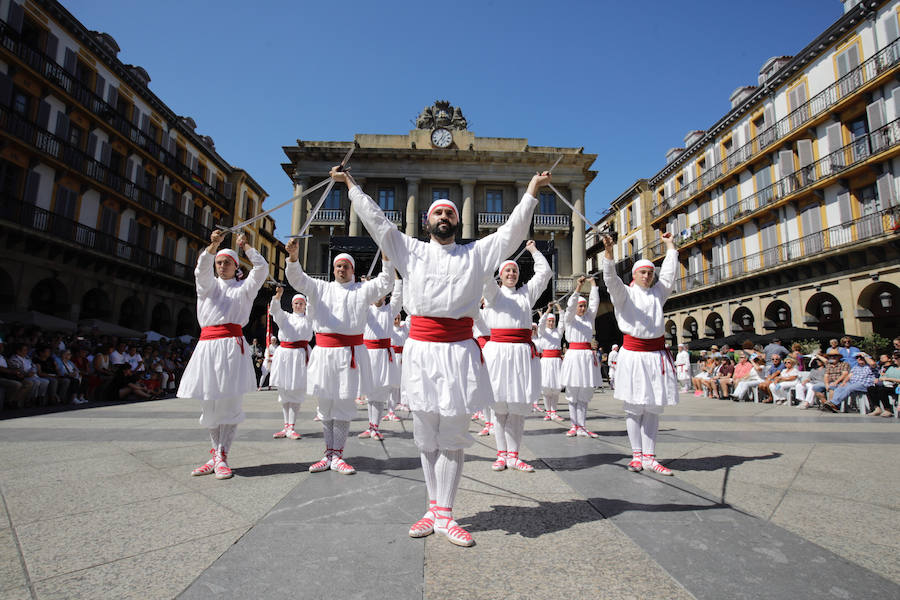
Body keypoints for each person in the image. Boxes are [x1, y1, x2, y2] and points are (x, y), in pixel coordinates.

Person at [332, 164, 548, 547]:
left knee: (451, 434)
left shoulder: (477, 253)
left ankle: (446, 514)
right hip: (421, 352)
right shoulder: (409, 249)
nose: (444, 217)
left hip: (460, 353)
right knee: (425, 435)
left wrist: (531, 190)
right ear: (426, 221)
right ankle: (432, 507)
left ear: (457, 220)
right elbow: (378, 222)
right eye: (438, 212)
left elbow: (512, 232)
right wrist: (350, 186)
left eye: (449, 213)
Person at [285, 246, 392, 475]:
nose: (341, 269)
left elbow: (385, 282)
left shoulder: (362, 290)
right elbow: (297, 279)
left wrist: (386, 259)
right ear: (333, 269)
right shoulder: (320, 287)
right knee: (325, 404)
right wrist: (293, 259)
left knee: (343, 404)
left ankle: (338, 455)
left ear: (353, 270)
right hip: (325, 353)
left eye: (345, 266)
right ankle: (328, 453)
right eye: (338, 266)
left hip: (349, 353)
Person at [177, 230, 268, 481]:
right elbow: (200, 271)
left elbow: (262, 269)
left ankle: (222, 456)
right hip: (208, 347)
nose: (222, 265)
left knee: (229, 404)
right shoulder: (207, 286)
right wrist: (212, 247)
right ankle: (216, 456)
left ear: (236, 265)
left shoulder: (244, 288)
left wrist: (247, 246)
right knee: (210, 403)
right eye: (219, 262)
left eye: (227, 262)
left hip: (231, 347)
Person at [601, 233, 679, 476]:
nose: (647, 276)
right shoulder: (624, 294)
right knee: (634, 407)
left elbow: (669, 273)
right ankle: (636, 455)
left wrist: (670, 246)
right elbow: (610, 279)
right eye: (643, 272)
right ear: (634, 275)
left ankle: (650, 456)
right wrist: (609, 254)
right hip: (633, 355)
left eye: (650, 273)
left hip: (656, 356)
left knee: (653, 407)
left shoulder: (658, 293)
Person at [481, 241, 551, 473]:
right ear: (500, 276)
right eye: (507, 271)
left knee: (518, 407)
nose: (511, 273)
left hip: (521, 355)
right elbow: (483, 276)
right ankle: (501, 455)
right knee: (500, 408)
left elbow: (545, 273)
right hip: (499, 354)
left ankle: (514, 455)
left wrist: (533, 251)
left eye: (514, 270)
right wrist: (497, 253)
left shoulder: (525, 295)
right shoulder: (493, 294)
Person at [359, 274, 403, 440]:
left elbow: (398, 296)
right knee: (370, 393)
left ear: (385, 295)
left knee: (379, 393)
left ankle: (376, 427)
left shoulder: (390, 310)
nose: (378, 296)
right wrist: (366, 286)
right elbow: (361, 298)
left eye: (381, 293)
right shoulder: (366, 309)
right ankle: (371, 426)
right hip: (368, 354)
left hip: (383, 355)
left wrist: (397, 278)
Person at [268, 286, 313, 440]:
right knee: (284, 391)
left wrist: (311, 293)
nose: (299, 306)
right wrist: (278, 296)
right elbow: (275, 311)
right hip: (285, 356)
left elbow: (314, 308)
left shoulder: (309, 318)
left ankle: (292, 426)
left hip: (299, 355)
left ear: (305, 305)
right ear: (292, 305)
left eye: (301, 303)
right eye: (296, 303)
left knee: (296, 391)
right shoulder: (285, 317)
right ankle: (286, 426)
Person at [560, 277, 601, 438]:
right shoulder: (569, 319)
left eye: (584, 306)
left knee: (584, 391)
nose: (582, 308)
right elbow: (570, 307)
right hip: (573, 356)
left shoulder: (589, 319)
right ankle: (573, 425)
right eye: (580, 306)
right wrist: (578, 288)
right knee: (572, 390)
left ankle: (582, 426)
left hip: (586, 357)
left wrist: (593, 285)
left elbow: (594, 303)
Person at [535, 302, 565, 422]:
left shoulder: (558, 332)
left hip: (556, 362)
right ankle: (548, 412)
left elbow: (562, 322)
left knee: (556, 388)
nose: (551, 323)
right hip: (546, 362)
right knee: (547, 388)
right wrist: (548, 310)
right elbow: (540, 323)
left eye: (553, 321)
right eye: (549, 321)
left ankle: (554, 412)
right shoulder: (542, 332)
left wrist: (558, 308)